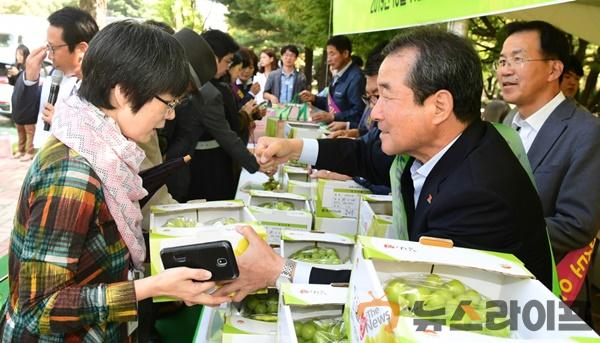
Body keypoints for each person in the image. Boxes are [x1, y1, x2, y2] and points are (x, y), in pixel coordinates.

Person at [214, 28, 554, 302]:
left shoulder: (479, 194)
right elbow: (365, 157)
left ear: (439, 107)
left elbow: (404, 293)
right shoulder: (437, 147)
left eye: (386, 97)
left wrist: (281, 271)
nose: (374, 114)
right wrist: (294, 148)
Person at [0, 21, 230, 342]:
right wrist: (150, 287)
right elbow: (39, 308)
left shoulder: (106, 153)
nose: (171, 115)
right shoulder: (74, 174)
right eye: (167, 103)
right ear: (123, 93)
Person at [497, 20, 600, 320]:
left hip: (548, 289)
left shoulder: (587, 132)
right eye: (502, 61)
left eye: (518, 59)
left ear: (554, 70)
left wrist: (493, 231)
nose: (505, 70)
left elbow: (577, 224)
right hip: (498, 278)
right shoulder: (506, 121)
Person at [11, 7, 98, 152]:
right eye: (47, 47)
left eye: (53, 48)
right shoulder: (56, 75)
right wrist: (30, 76)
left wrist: (60, 123)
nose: (49, 56)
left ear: (81, 49)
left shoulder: (106, 88)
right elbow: (22, 117)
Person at [300, 35, 365, 129]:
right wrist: (314, 98)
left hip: (346, 134)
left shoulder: (356, 77)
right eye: (328, 54)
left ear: (345, 53)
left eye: (332, 54)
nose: (328, 59)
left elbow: (359, 112)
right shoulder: (338, 74)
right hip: (332, 129)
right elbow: (331, 103)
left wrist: (333, 117)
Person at [8, 44, 37, 161]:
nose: (18, 56)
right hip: (18, 104)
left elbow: (29, 80)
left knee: (29, 130)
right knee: (19, 128)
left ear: (26, 55)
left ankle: (30, 152)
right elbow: (13, 83)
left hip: (28, 104)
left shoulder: (30, 67)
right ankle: (21, 151)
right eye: (17, 54)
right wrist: (11, 76)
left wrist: (18, 74)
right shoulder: (17, 67)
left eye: (20, 54)